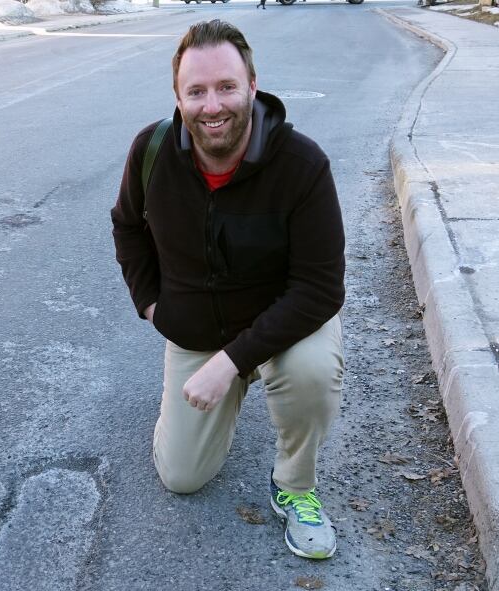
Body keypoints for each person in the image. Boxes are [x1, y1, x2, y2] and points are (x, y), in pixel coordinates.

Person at [111, 19, 345, 560]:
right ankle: (219, 398)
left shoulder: (302, 165)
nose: (212, 106)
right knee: (181, 477)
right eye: (196, 91)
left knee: (309, 372)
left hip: (285, 322)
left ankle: (295, 485)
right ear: (178, 97)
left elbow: (320, 287)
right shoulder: (152, 152)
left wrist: (231, 361)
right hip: (197, 331)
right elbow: (126, 224)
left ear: (252, 87)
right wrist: (149, 302)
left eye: (226, 87)